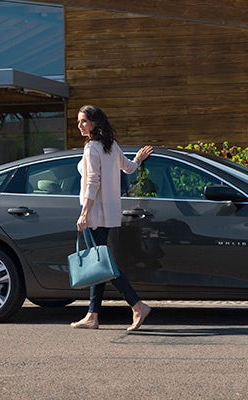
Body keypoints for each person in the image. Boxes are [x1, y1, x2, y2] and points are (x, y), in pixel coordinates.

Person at [71, 105, 153, 331]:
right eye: (78, 122)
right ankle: (92, 315)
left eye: (83, 121)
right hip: (108, 215)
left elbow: (92, 182)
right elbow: (128, 168)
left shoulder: (92, 148)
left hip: (94, 214)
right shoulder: (111, 145)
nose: (80, 126)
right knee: (98, 264)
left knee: (102, 265)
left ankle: (137, 305)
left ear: (95, 122)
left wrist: (84, 214)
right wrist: (138, 159)